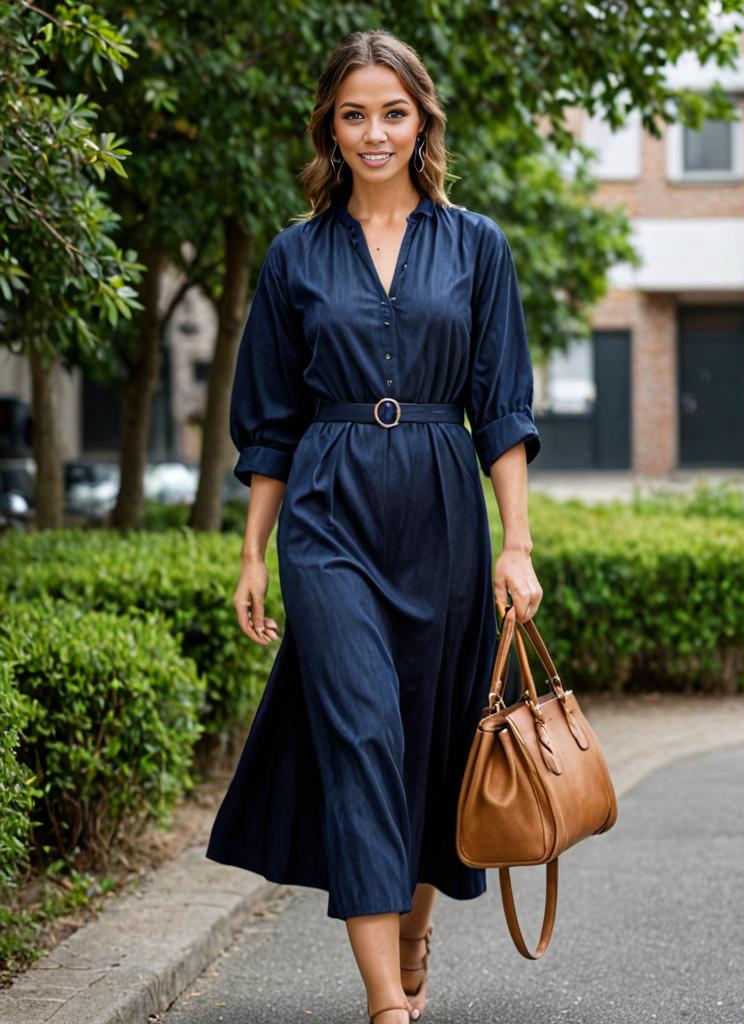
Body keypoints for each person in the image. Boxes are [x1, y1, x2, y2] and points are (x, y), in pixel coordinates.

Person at [205, 28, 543, 1024]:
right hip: (328, 509)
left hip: (443, 504)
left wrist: (516, 542)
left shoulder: (476, 244)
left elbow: (505, 406)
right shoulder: (294, 256)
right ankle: (385, 1003)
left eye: (392, 112)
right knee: (359, 733)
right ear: (330, 127)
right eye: (353, 114)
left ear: (422, 120)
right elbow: (268, 420)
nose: (374, 132)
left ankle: (413, 925)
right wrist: (252, 552)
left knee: (432, 742)